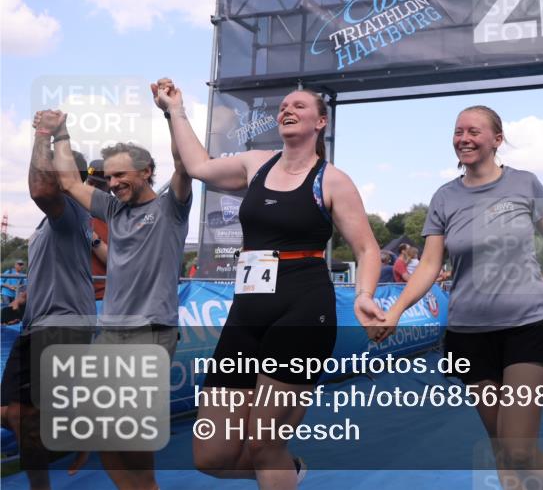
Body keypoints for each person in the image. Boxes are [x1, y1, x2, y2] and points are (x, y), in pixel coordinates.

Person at [378, 105, 543, 490]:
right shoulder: (444, 197)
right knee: (501, 446)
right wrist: (395, 309)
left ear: (497, 139)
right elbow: (429, 266)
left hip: (527, 325)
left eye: (474, 131)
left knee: (517, 445)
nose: (463, 138)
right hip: (469, 333)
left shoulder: (525, 183)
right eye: (458, 131)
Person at [156, 78, 382, 489]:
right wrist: (176, 111)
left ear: (321, 122)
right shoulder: (255, 163)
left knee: (263, 443)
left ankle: (276, 467)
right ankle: (290, 472)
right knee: (212, 454)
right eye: (282, 107)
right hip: (247, 312)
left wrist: (364, 295)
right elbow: (199, 167)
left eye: (298, 105)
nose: (287, 110)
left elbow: (367, 249)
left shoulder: (332, 180)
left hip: (303, 311)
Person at [45, 98, 192, 490]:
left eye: (120, 175)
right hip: (111, 333)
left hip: (150, 333)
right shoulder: (112, 210)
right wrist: (60, 131)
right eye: (108, 178)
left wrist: (170, 112)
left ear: (146, 172)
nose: (112, 184)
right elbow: (70, 182)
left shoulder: (170, 210)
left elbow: (184, 165)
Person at [0, 119, 96, 490]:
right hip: (38, 323)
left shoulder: (69, 212)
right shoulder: (47, 225)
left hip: (61, 326)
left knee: (25, 417)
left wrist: (46, 135)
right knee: (10, 412)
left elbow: (40, 189)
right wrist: (21, 301)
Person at [86, 159, 110, 300]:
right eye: (90, 182)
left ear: (109, 185)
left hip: (104, 298)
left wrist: (91, 237)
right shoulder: (73, 207)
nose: (93, 187)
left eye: (99, 184)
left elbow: (117, 261)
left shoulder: (118, 214)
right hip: (73, 299)